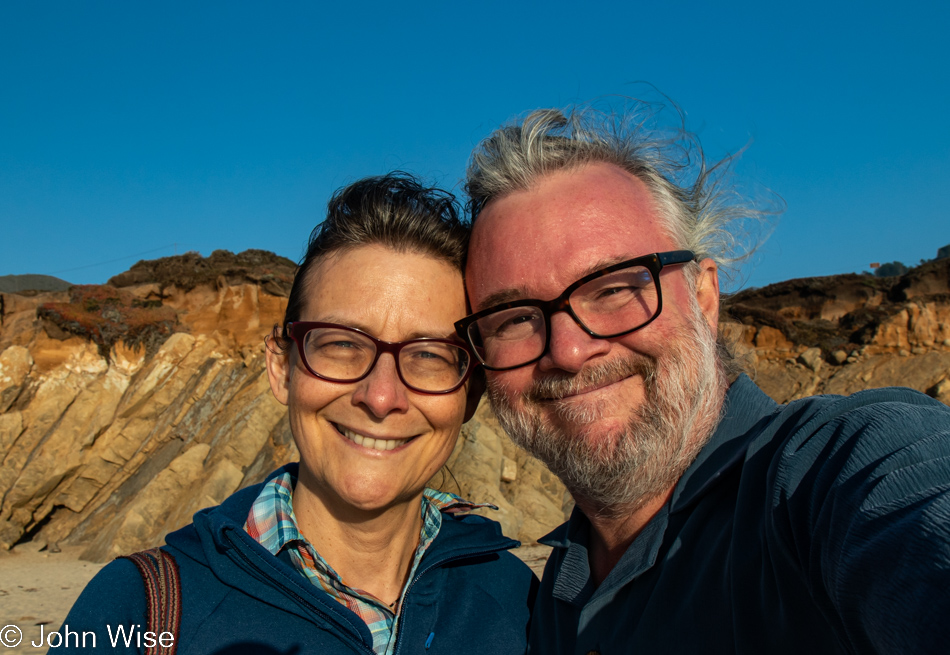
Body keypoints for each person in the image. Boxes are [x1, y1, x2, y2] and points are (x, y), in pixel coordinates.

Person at [457, 106, 950, 654]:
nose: (568, 352)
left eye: (615, 288)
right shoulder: (542, 595)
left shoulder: (829, 477)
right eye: (516, 319)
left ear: (705, 296)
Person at [59, 173, 537, 654]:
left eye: (429, 355)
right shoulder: (137, 609)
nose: (381, 396)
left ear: (471, 393)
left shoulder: (523, 605)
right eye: (342, 344)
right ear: (281, 368)